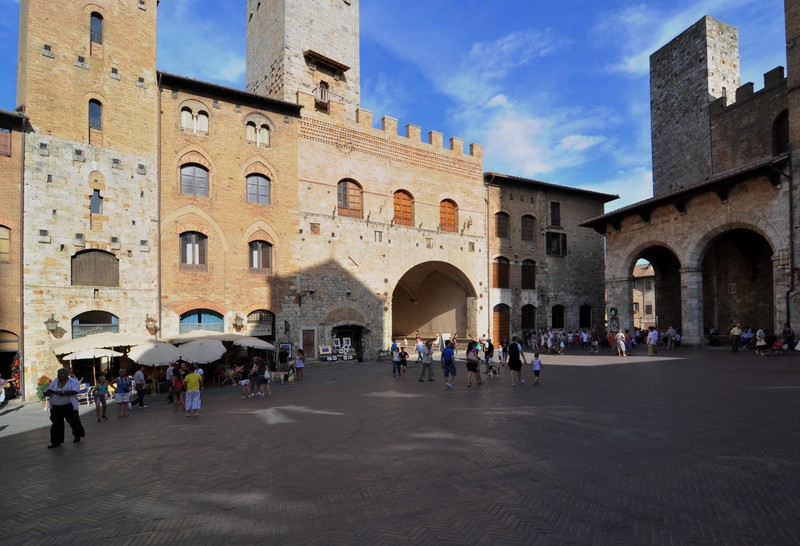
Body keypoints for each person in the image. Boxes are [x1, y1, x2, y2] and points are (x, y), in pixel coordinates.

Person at [43, 367, 85, 448]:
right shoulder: (54, 382)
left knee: (74, 422)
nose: (59, 375)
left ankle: (77, 435)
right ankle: (56, 442)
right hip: (56, 408)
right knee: (56, 424)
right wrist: (47, 393)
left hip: (69, 407)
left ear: (67, 374)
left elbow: (76, 391)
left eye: (62, 373)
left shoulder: (73, 381)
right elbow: (46, 390)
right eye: (58, 373)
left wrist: (62, 392)